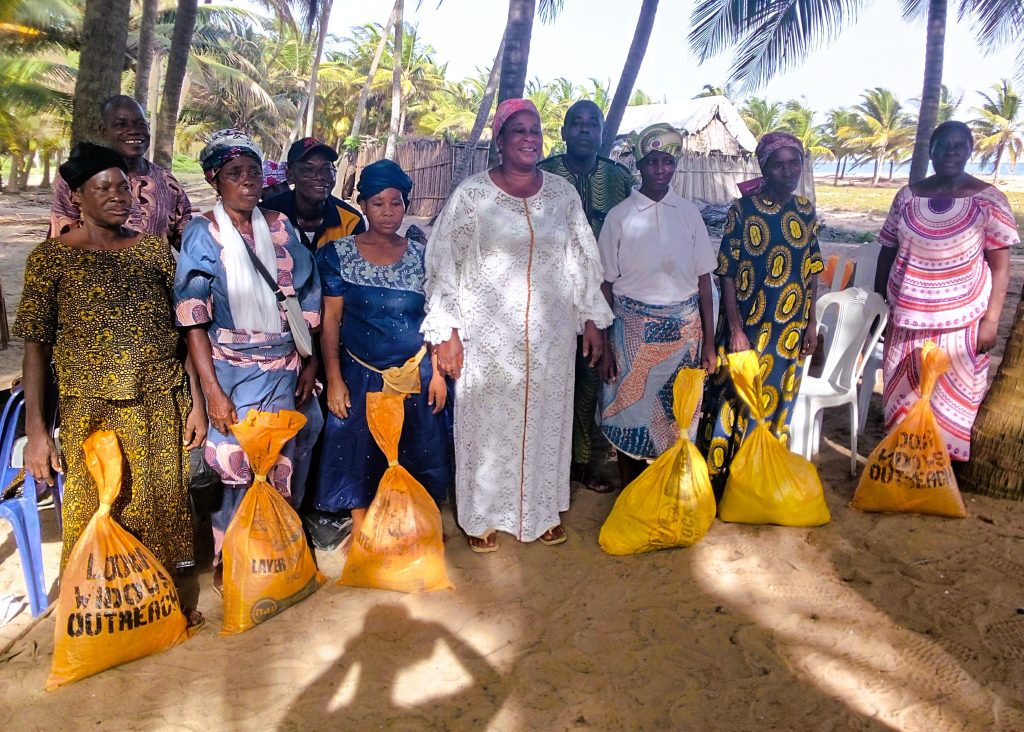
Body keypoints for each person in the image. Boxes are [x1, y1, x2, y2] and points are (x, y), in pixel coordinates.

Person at [16, 143, 206, 625]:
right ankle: (105, 613)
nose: (119, 197)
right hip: (91, 412)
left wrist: (197, 402)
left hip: (159, 404)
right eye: (104, 188)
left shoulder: (153, 251)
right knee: (99, 507)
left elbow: (185, 329)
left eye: (124, 187)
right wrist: (37, 432)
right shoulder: (51, 259)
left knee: (162, 507)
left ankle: (161, 608)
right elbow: (36, 349)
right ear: (77, 197)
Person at [423, 98, 613, 553]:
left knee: (547, 420)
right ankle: (481, 515)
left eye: (535, 130)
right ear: (500, 141)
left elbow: (581, 257)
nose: (529, 138)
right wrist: (447, 332)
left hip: (551, 338)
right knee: (486, 424)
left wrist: (592, 316)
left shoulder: (562, 195)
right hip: (487, 338)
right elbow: (444, 262)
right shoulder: (473, 195)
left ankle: (541, 511)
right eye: (519, 130)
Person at [173, 129, 323, 593]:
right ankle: (231, 555)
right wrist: (212, 392)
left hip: (284, 367)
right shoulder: (203, 232)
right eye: (235, 173)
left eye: (254, 172)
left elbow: (306, 297)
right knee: (233, 462)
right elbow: (193, 320)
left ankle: (274, 547)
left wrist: (310, 364)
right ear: (214, 180)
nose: (247, 181)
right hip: (230, 372)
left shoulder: (279, 226)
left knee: (282, 456)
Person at [315, 159, 453, 539]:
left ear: (406, 205)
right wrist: (334, 379)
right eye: (378, 203)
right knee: (357, 447)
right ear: (362, 205)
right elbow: (331, 320)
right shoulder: (338, 254)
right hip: (359, 373)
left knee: (418, 446)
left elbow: (435, 317)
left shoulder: (423, 256)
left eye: (396, 203)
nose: (388, 212)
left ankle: (418, 525)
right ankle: (364, 529)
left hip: (416, 372)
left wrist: (437, 375)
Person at [874, 120, 1017, 460]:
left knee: (951, 405)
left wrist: (991, 322)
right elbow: (887, 250)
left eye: (959, 146)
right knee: (903, 398)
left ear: (969, 151)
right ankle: (903, 468)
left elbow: (1001, 268)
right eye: (943, 146)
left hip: (961, 325)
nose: (951, 152)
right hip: (905, 320)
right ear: (931, 151)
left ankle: (941, 472)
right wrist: (879, 304)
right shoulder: (907, 197)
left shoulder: (990, 200)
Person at [698, 131, 824, 490]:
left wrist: (811, 323)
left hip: (789, 330)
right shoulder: (744, 210)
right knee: (736, 397)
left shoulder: (805, 210)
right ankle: (725, 479)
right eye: (778, 164)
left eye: (794, 163)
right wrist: (736, 330)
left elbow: (812, 269)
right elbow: (726, 272)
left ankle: (759, 479)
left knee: (776, 398)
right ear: (764, 169)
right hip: (749, 326)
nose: (788, 171)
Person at [598, 124, 718, 488]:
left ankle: (667, 491)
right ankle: (629, 492)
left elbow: (704, 281)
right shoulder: (620, 216)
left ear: (675, 165)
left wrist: (710, 343)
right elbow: (605, 284)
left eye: (667, 161)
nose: (660, 169)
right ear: (639, 165)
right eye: (652, 161)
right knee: (627, 413)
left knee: (677, 416)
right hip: (631, 334)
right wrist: (606, 346)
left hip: (685, 334)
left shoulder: (689, 214)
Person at [539, 99, 635, 494]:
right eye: (575, 122)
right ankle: (549, 466)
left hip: (602, 295)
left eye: (591, 123)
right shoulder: (543, 174)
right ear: (563, 132)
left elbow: (632, 235)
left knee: (592, 380)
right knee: (551, 381)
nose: (583, 129)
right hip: (551, 298)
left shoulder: (619, 179)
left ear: (601, 133)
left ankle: (583, 465)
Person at [50, 95, 192, 251]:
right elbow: (60, 238)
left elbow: (189, 242)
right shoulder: (79, 178)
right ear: (103, 131)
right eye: (121, 124)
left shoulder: (167, 183)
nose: (134, 131)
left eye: (141, 125)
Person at [261, 137, 366, 252]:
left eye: (327, 169)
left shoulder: (351, 221)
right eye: (309, 169)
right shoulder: (265, 215)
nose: (320, 176)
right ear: (290, 175)